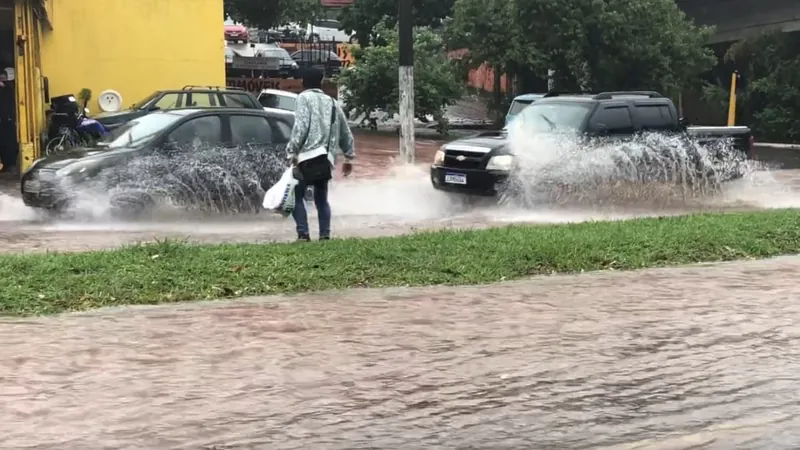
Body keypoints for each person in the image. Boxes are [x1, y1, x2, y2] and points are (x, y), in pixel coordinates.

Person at [285, 67, 354, 241]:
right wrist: (348, 156)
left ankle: (303, 234)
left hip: (306, 157)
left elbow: (300, 127)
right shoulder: (332, 102)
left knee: (295, 196)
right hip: (326, 159)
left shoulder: (303, 98)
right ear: (321, 82)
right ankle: (324, 235)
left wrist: (292, 150)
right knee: (321, 199)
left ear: (303, 82)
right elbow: (345, 131)